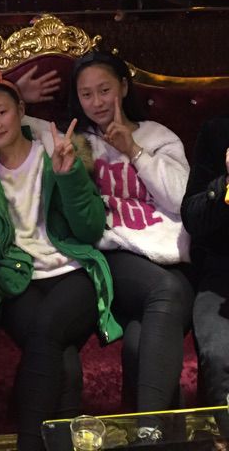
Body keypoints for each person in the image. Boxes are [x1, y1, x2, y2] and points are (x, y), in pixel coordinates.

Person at [0, 70, 121, 451]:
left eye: (2, 112)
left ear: (21, 110)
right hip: (19, 280)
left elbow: (89, 229)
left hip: (72, 272)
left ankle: (28, 444)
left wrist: (70, 177)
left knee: (45, 333)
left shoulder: (54, 155)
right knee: (61, 357)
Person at [68, 50, 194, 436]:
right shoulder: (78, 144)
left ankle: (154, 437)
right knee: (168, 291)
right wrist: (17, 91)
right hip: (117, 258)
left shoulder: (157, 136)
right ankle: (152, 433)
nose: (97, 102)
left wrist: (134, 152)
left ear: (124, 86)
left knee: (141, 344)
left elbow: (181, 200)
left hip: (170, 258)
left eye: (104, 89)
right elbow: (7, 122)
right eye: (86, 94)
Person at [181, 117, 229, 415]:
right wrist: (226, 186)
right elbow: (192, 218)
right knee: (219, 356)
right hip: (221, 270)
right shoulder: (217, 132)